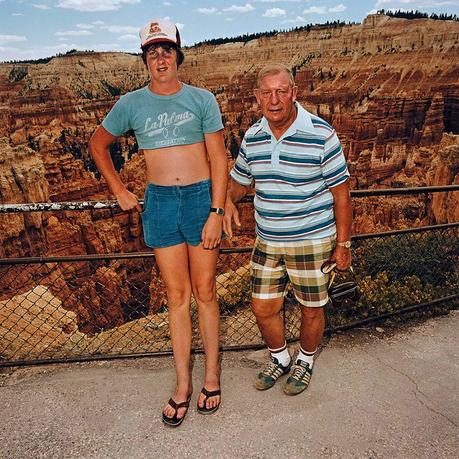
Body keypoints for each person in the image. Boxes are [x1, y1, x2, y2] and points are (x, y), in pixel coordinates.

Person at [89, 19, 227, 426]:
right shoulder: (131, 103)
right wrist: (118, 189)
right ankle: (183, 384)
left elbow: (219, 158)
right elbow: (99, 144)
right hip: (162, 203)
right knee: (177, 296)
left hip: (201, 199)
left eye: (166, 50)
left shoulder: (202, 99)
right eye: (152, 51)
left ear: (178, 55)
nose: (160, 57)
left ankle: (213, 376)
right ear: (145, 59)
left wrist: (217, 211)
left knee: (205, 292)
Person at [223, 64, 352, 396]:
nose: (274, 100)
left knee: (311, 308)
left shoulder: (321, 133)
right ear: (257, 97)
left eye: (281, 91)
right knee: (263, 307)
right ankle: (280, 357)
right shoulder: (253, 136)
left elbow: (341, 194)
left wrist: (344, 243)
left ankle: (305, 361)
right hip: (267, 241)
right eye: (267, 92)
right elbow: (238, 182)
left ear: (294, 93)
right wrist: (226, 202)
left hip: (312, 240)